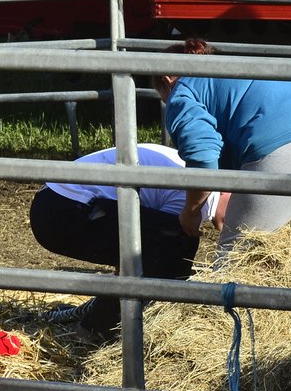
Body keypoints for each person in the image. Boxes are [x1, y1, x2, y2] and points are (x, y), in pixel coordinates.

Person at [152, 38, 291, 328]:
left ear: (168, 78)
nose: (166, 101)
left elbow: (203, 157)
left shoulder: (183, 90)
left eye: (162, 94)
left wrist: (192, 209)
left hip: (290, 142)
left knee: (234, 258)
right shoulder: (238, 66)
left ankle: (219, 351)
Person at [29, 143, 229, 343]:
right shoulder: (203, 196)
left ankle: (98, 317)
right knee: (178, 244)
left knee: (164, 243)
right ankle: (95, 329)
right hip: (66, 209)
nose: (236, 223)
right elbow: (157, 254)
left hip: (55, 201)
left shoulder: (189, 166)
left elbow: (138, 239)